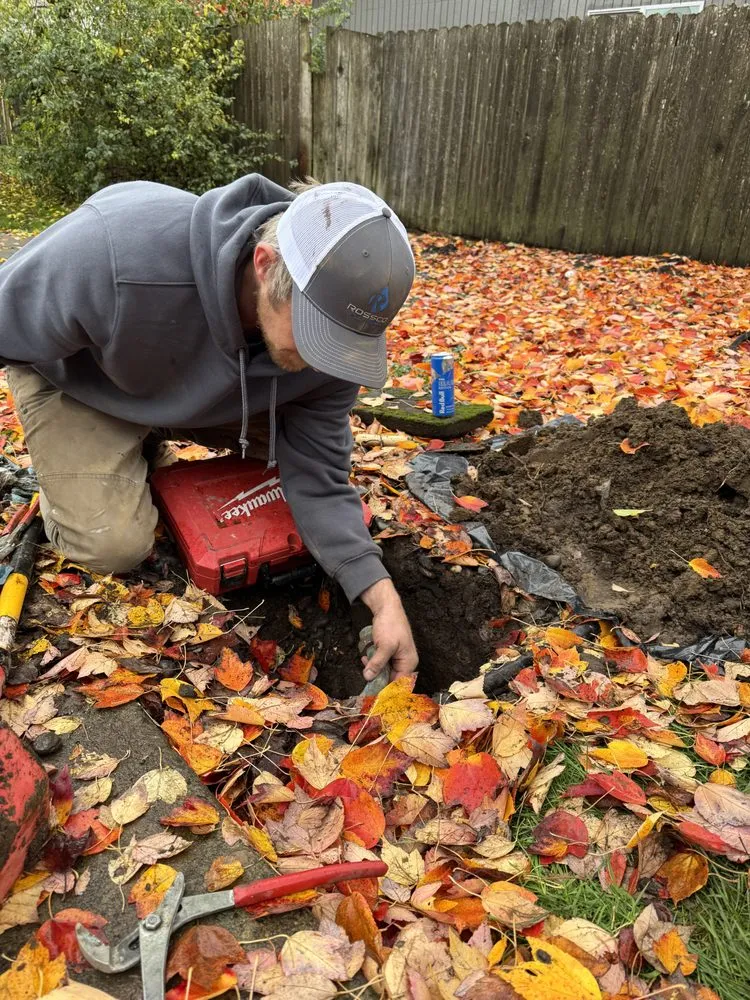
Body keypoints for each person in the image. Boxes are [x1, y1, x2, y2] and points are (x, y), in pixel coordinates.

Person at [0, 174, 418, 680]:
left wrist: (381, 596)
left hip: (192, 389)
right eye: (315, 332)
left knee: (287, 449)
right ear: (265, 264)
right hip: (81, 382)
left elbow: (319, 474)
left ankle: (148, 439)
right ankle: (105, 454)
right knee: (113, 546)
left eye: (341, 341)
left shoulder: (330, 355)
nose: (323, 357)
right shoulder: (112, 256)